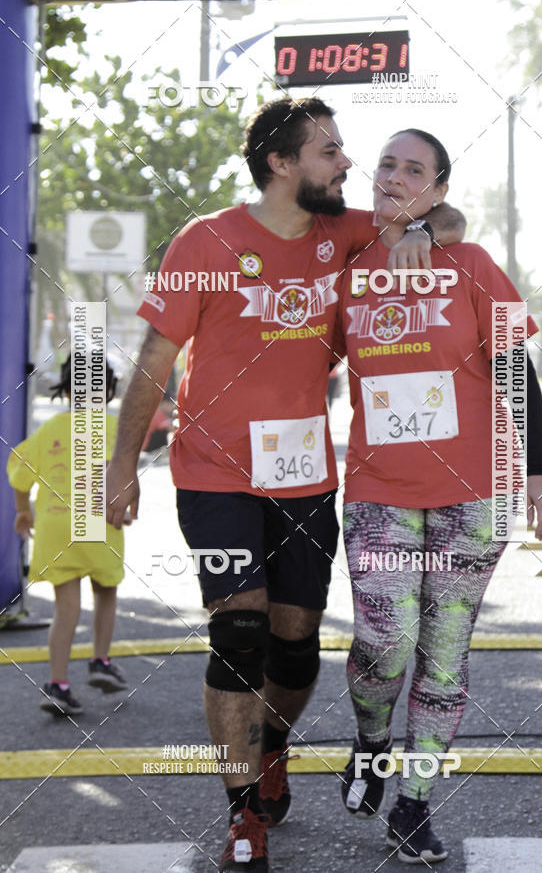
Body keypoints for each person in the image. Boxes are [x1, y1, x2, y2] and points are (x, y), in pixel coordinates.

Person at [106, 99, 465, 872]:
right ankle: (243, 814)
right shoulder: (206, 242)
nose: (348, 164)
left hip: (302, 475)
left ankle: (271, 745)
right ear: (281, 163)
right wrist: (119, 465)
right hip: (215, 473)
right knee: (240, 634)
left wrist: (427, 233)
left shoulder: (347, 232)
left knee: (295, 646)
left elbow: (447, 213)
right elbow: (154, 357)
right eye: (329, 151)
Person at [336, 129, 542, 863]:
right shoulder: (348, 269)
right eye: (387, 164)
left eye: (415, 169)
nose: (396, 176)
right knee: (385, 639)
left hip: (475, 492)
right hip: (379, 489)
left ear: (437, 190)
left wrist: (538, 470)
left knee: (442, 655)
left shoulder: (470, 263)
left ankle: (414, 803)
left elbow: (515, 367)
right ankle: (372, 742)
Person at [6, 356, 128, 717]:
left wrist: (24, 511)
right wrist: (126, 506)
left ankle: (58, 683)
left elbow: (19, 472)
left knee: (66, 608)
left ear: (68, 391)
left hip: (56, 527)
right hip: (99, 524)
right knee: (105, 590)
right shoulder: (114, 428)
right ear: (108, 390)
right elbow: (118, 475)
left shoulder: (50, 429)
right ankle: (101, 660)